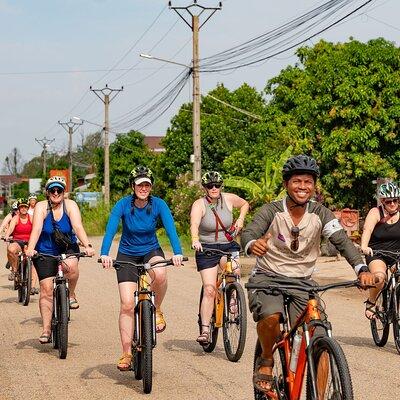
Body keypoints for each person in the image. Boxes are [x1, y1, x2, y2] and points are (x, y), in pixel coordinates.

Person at [241, 154, 376, 394]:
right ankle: (266, 360)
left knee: (319, 340)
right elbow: (250, 231)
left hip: (303, 282)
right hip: (268, 276)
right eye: (297, 181)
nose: (303, 187)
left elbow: (342, 242)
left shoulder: (320, 213)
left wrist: (361, 268)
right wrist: (252, 244)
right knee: (271, 317)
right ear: (286, 184)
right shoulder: (271, 210)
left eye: (308, 182)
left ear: (314, 186)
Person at [100, 165, 183, 371]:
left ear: (151, 186)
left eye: (147, 184)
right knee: (127, 304)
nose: (143, 188)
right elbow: (111, 228)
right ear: (132, 186)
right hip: (127, 253)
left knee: (161, 274)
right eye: (139, 184)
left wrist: (178, 252)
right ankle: (127, 353)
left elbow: (171, 229)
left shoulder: (159, 205)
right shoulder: (122, 205)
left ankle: (158, 310)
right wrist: (104, 253)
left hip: (151, 250)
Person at [25, 176, 95, 344]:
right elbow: (37, 229)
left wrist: (87, 245)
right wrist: (30, 248)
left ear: (64, 192)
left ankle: (70, 294)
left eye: (59, 190)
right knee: (46, 289)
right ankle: (47, 329)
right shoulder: (41, 207)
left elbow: (77, 226)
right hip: (45, 250)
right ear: (47, 192)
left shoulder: (70, 205)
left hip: (67, 246)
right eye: (52, 190)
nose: (56, 193)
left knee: (71, 267)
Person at [190, 171, 249, 344]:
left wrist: (240, 219)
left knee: (234, 270)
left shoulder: (229, 199)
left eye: (217, 185)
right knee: (209, 289)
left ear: (221, 186)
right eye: (210, 186)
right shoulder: (199, 204)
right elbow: (194, 224)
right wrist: (195, 240)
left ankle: (232, 298)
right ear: (205, 188)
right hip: (206, 248)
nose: (214, 188)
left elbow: (245, 204)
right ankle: (206, 330)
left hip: (227, 245)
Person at [360, 182, 400, 319]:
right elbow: (367, 229)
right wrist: (364, 246)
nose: (393, 203)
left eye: (396, 200)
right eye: (389, 201)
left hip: (397, 254)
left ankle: (396, 310)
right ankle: (371, 302)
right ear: (383, 201)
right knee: (380, 277)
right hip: (377, 253)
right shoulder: (376, 212)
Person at [4, 198, 32, 282]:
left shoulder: (32, 218)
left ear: (28, 208)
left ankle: (32, 282)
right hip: (18, 241)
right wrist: (7, 235)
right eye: (21, 207)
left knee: (35, 257)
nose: (24, 209)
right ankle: (15, 271)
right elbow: (11, 228)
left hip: (30, 242)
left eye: (25, 207)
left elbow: (37, 229)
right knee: (11, 249)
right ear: (19, 209)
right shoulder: (15, 218)